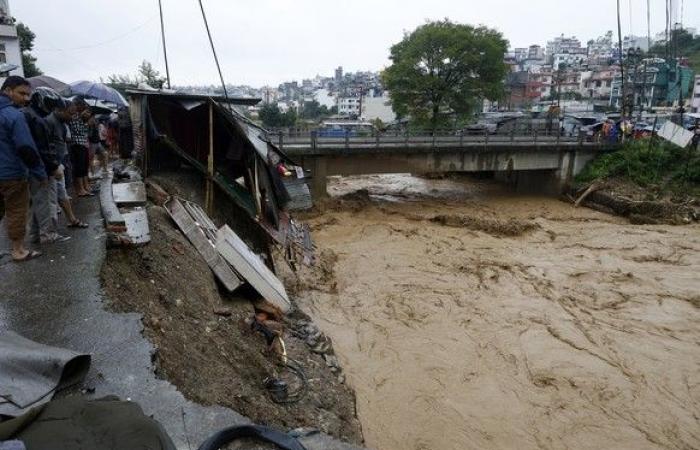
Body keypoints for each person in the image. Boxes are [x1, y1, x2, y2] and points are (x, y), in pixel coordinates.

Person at [0, 76, 44, 261]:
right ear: (8, 91)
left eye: (28, 94)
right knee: (17, 211)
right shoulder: (15, 115)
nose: (26, 98)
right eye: (22, 93)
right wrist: (40, 173)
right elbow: (26, 148)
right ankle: (18, 250)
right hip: (12, 174)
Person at [23, 87, 71, 244]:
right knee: (47, 201)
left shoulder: (29, 115)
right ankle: (48, 235)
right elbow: (43, 147)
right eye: (50, 104)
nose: (51, 108)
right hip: (42, 168)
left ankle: (36, 235)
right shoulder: (38, 120)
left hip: (33, 167)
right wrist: (54, 166)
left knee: (39, 202)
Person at [45, 97, 89, 229]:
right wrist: (54, 165)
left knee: (61, 193)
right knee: (50, 199)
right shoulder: (49, 122)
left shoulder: (62, 123)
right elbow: (46, 146)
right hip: (50, 166)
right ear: (59, 110)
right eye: (70, 113)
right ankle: (47, 232)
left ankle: (72, 220)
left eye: (74, 114)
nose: (72, 117)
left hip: (58, 163)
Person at [67, 96, 93, 197]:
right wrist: (86, 124)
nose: (87, 113)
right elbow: (77, 131)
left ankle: (86, 186)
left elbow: (85, 133)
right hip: (77, 145)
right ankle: (80, 189)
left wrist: (86, 123)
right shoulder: (74, 117)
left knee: (85, 166)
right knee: (79, 167)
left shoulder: (82, 119)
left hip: (83, 144)